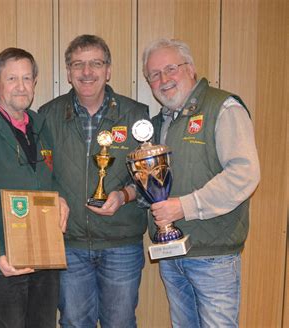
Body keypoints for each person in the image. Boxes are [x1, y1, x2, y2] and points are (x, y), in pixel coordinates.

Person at [142, 38, 260, 327]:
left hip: (213, 256)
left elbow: (244, 174)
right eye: (154, 75)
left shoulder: (223, 107)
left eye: (171, 68)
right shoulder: (160, 123)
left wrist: (184, 207)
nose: (164, 79)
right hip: (172, 253)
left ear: (191, 68)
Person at [39, 34, 149, 328]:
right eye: (78, 64)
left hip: (121, 243)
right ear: (68, 72)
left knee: (121, 323)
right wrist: (53, 197)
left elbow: (149, 177)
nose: (87, 72)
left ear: (108, 69)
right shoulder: (47, 116)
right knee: (74, 323)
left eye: (95, 64)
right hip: (68, 244)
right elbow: (37, 173)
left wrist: (123, 195)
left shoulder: (136, 115)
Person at [0, 47, 69, 328]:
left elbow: (49, 179)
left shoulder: (41, 125)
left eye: (27, 79)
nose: (21, 87)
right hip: (1, 264)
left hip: (43, 259)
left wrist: (60, 200)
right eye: (12, 79)